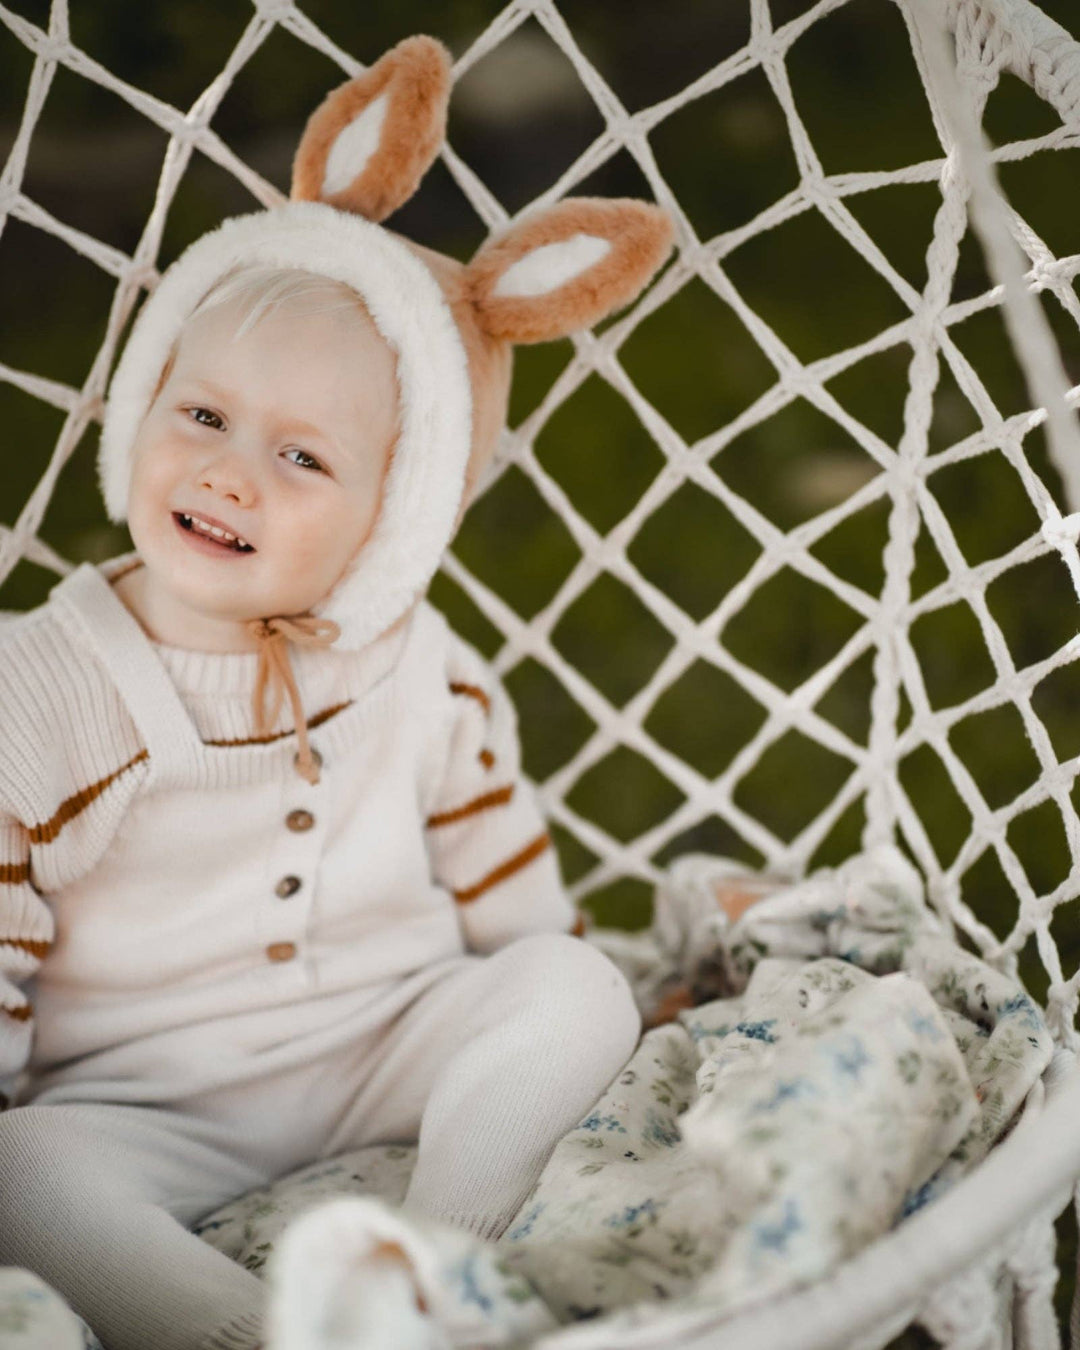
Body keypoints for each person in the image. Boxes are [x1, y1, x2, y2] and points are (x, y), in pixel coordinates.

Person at [0, 33, 674, 1350]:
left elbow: (494, 855)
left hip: (389, 1036)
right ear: (138, 402)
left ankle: (429, 1255)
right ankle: (247, 1327)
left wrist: (581, 980)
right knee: (21, 1178)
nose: (231, 471)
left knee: (573, 988)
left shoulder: (417, 659)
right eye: (199, 415)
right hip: (153, 1096)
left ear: (397, 515)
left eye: (301, 454)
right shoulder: (44, 679)